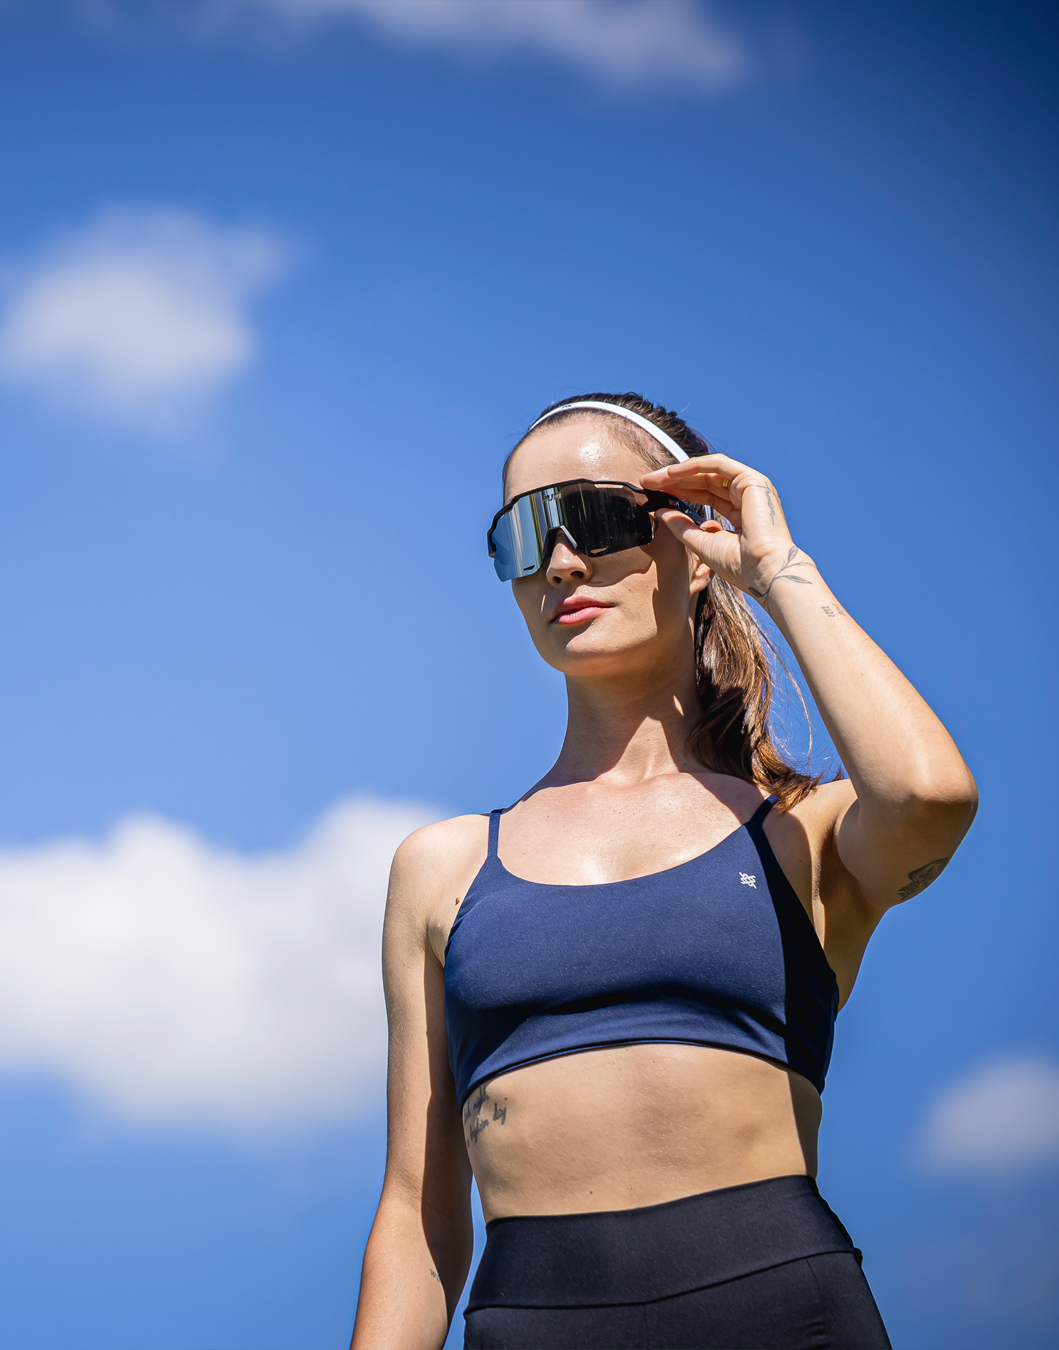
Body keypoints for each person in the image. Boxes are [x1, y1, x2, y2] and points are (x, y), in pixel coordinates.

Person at [351, 393, 977, 1350]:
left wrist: (773, 568)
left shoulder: (801, 834)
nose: (561, 561)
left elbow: (929, 796)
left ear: (697, 536)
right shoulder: (441, 869)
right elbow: (418, 1218)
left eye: (597, 516)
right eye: (524, 534)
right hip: (528, 1324)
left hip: (782, 1313)